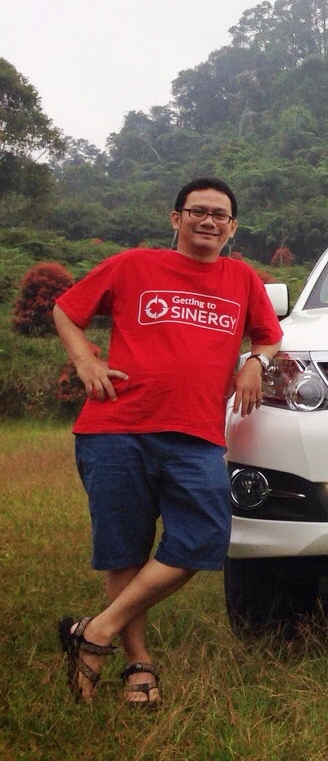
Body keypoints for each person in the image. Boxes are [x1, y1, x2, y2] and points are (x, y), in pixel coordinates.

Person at [52, 177, 283, 703]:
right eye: (197, 211)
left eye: (220, 215)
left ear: (232, 227)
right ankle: (138, 664)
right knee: (124, 548)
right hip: (115, 428)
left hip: (195, 433)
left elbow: (269, 335)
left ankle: (96, 632)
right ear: (175, 219)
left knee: (204, 534)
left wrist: (254, 361)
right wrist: (86, 360)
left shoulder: (242, 278)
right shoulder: (134, 264)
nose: (209, 221)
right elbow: (68, 309)